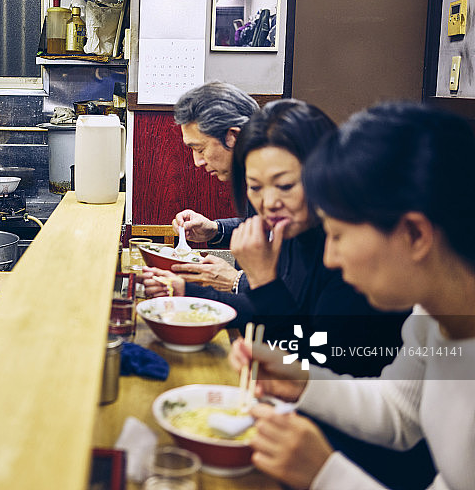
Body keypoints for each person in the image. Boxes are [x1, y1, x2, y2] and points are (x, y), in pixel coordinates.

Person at [230, 102, 471, 490]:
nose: (330, 256)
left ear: (415, 234)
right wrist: (301, 381)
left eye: (338, 235)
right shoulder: (430, 317)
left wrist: (326, 474)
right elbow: (399, 411)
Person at [144, 99, 408, 377]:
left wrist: (259, 281)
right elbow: (283, 313)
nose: (268, 203)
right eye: (255, 187)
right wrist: (189, 291)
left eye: (284, 185)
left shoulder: (349, 253)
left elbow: (311, 366)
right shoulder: (293, 229)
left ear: (322, 172)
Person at [168, 81, 259, 290]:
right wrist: (215, 230)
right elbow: (264, 229)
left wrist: (237, 282)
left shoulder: (281, 181)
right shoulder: (256, 172)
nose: (197, 162)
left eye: (200, 148)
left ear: (233, 137)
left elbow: (301, 287)